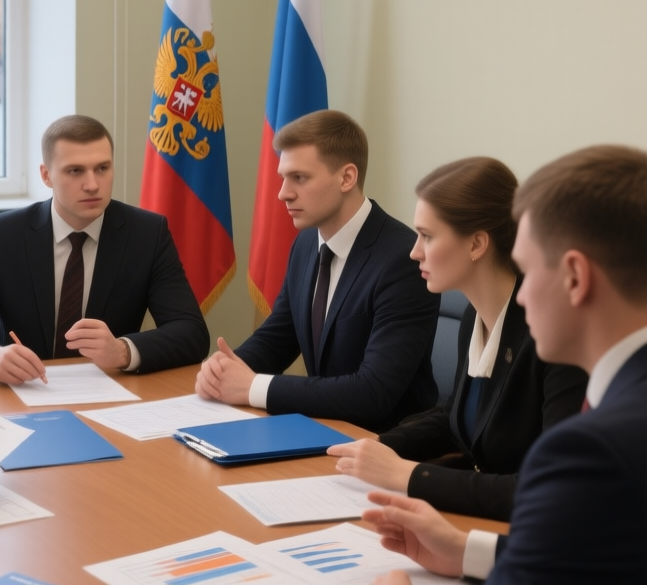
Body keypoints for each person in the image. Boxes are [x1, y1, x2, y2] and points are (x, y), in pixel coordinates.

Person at [364, 145, 647, 584]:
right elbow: (586, 551)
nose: (522, 295)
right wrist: (467, 551)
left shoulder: (596, 445)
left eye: (530, 270)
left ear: (575, 277)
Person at [327, 157, 586, 521]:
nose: (414, 251)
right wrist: (376, 446)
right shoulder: (473, 318)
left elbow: (547, 490)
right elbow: (458, 418)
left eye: (427, 236)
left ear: (477, 243)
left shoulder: (556, 339)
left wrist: (407, 474)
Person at [195, 110, 439, 432]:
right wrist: (224, 369)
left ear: (346, 178)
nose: (283, 192)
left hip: (383, 442)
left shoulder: (403, 259)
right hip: (322, 428)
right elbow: (278, 338)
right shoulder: (306, 243)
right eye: (283, 177)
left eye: (299, 178)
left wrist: (253, 387)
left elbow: (372, 393)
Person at [0, 114, 209, 384]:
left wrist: (122, 351)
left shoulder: (147, 234)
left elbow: (192, 332)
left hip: (109, 393)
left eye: (102, 168)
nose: (92, 185)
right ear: (46, 175)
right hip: (24, 390)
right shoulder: (4, 234)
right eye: (75, 171)